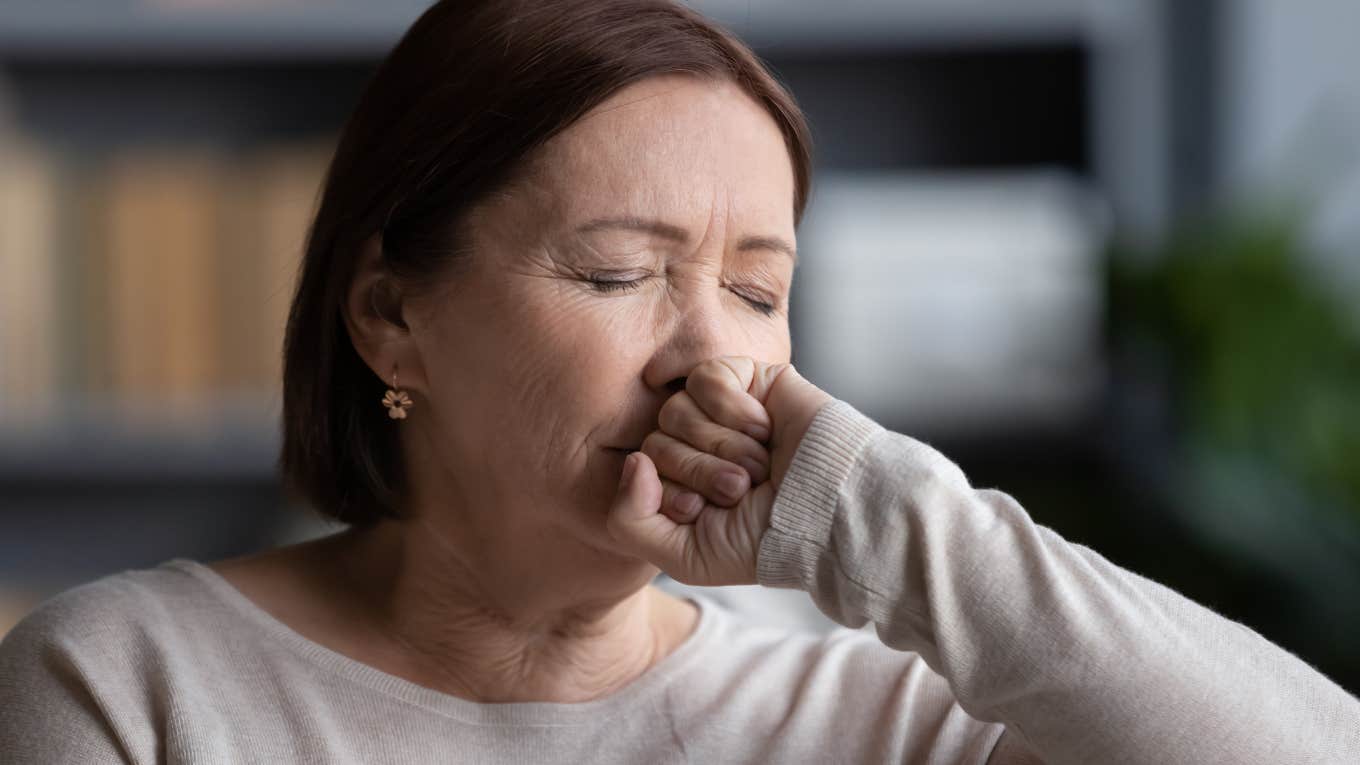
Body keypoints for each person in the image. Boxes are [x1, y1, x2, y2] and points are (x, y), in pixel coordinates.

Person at [2, 1, 1358, 762]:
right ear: (389, 318)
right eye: (613, 274)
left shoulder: (870, 718)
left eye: (761, 292)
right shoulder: (134, 682)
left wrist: (892, 520)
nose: (715, 354)